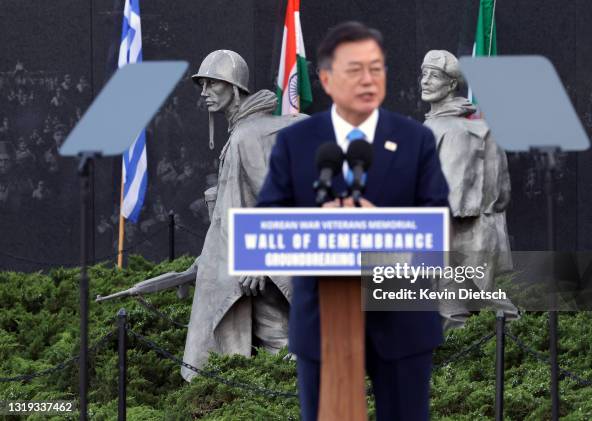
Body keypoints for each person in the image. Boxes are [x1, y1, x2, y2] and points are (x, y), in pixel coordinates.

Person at [257, 22, 449, 421]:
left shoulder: (416, 139)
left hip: (401, 320)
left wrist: (386, 228)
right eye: (353, 69)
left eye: (375, 68)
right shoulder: (296, 142)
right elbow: (266, 226)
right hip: (322, 322)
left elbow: (438, 224)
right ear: (326, 79)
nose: (367, 80)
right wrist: (315, 224)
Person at [181, 50, 307, 382]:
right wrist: (207, 257)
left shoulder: (247, 135)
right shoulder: (245, 132)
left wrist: (258, 259)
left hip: (254, 268)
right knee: (279, 344)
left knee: (281, 346)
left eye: (214, 84)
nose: (205, 92)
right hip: (243, 261)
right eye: (202, 85)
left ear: (235, 89)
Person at [420, 50, 518, 329]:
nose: (425, 81)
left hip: (462, 231)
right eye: (424, 74)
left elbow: (454, 190)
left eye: (434, 75)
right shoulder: (437, 123)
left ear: (451, 84)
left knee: (488, 299)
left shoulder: (456, 128)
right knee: (449, 306)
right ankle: (455, 361)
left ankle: (516, 345)